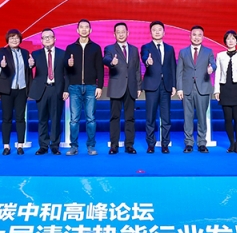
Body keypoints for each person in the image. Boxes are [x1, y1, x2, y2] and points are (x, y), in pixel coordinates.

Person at [64, 19, 104, 156]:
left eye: (87, 27)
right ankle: (74, 146)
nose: (84, 29)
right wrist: (68, 64)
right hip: (74, 87)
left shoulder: (96, 47)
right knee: (74, 119)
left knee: (90, 118)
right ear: (77, 30)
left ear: (90, 30)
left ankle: (91, 146)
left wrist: (100, 86)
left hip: (91, 87)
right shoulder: (70, 48)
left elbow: (100, 68)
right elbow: (65, 70)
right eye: (81, 27)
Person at [29, 28, 70, 155]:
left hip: (56, 89)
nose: (47, 39)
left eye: (49, 36)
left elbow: (67, 74)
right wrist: (30, 65)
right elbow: (29, 69)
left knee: (56, 119)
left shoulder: (63, 54)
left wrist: (66, 89)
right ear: (41, 40)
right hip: (42, 90)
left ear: (55, 39)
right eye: (44, 37)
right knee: (42, 119)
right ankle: (43, 146)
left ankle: (55, 146)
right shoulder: (35, 54)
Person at [103, 22, 142, 154]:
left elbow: (137, 69)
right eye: (118, 32)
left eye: (123, 32)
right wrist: (111, 62)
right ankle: (114, 145)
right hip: (116, 88)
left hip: (131, 87)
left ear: (128, 33)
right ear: (114, 34)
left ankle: (129, 145)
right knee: (115, 117)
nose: (121, 34)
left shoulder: (134, 49)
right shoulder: (109, 48)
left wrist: (138, 86)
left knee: (130, 118)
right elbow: (105, 59)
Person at [176, 26, 216, 153]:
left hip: (203, 88)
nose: (196, 37)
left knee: (202, 117)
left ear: (203, 37)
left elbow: (213, 63)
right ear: (190, 36)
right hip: (187, 88)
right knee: (187, 117)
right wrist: (179, 88)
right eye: (194, 34)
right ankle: (188, 143)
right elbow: (179, 71)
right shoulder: (183, 52)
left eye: (199, 35)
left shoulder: (208, 51)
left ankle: (201, 143)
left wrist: (212, 68)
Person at [141, 21, 177, 154]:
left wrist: (174, 85)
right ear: (150, 32)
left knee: (166, 117)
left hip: (166, 85)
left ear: (164, 32)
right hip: (152, 85)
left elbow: (173, 67)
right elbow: (144, 57)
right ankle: (151, 144)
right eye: (154, 30)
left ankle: (165, 144)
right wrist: (147, 61)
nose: (157, 32)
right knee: (150, 117)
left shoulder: (169, 48)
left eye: (159, 29)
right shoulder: (146, 47)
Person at [0, 29, 32, 155]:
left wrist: (31, 65)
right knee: (6, 118)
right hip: (7, 90)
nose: (14, 40)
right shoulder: (3, 51)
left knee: (20, 118)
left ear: (20, 40)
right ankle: (6, 146)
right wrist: (2, 64)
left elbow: (28, 70)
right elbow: (1, 62)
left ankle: (20, 145)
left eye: (16, 38)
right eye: (11, 38)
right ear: (7, 40)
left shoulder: (25, 52)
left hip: (21, 89)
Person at [214, 30, 237, 153]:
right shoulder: (220, 55)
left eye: (233, 39)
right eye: (228, 39)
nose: (230, 41)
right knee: (228, 118)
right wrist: (216, 90)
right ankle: (231, 143)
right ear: (225, 41)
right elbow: (218, 74)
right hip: (225, 88)